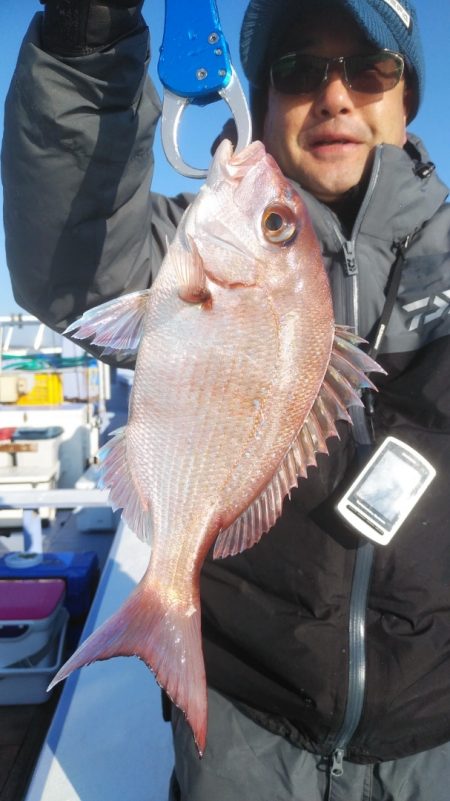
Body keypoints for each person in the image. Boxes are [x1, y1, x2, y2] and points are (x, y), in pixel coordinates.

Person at [2, 0, 450, 798]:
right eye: (298, 70)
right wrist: (87, 42)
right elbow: (74, 262)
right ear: (263, 102)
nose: (335, 95)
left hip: (435, 734)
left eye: (369, 70)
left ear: (406, 96)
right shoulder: (185, 247)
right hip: (243, 725)